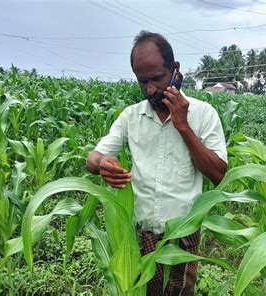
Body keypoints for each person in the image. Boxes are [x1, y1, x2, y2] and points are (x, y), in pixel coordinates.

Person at [86, 30, 227, 295]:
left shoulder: (204, 115)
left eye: (157, 79)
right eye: (143, 81)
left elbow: (219, 174)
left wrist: (184, 127)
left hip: (182, 237)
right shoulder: (132, 117)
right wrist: (103, 162)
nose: (150, 89)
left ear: (175, 70)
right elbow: (92, 158)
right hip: (139, 236)